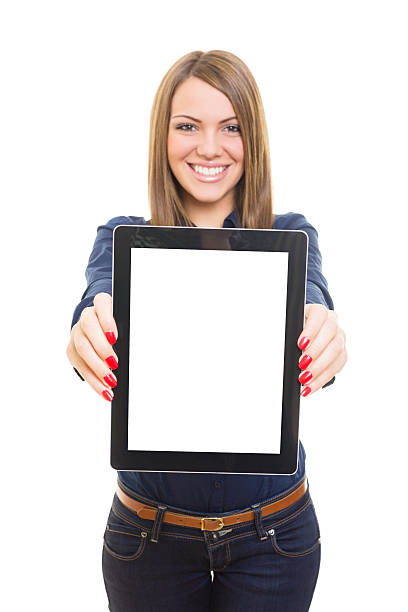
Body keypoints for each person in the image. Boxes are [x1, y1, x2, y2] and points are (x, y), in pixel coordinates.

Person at [66, 50, 347, 612]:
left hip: (274, 537)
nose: (210, 147)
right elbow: (96, 301)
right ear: (162, 137)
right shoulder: (122, 238)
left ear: (254, 139)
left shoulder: (291, 234)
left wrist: (323, 327)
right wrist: (86, 332)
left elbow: (312, 297)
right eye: (188, 126)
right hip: (148, 539)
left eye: (231, 128)